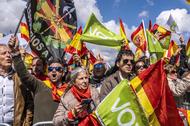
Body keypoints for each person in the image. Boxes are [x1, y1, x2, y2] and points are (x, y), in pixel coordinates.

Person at [8, 36, 67, 124]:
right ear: (48, 72)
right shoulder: (39, 86)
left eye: (58, 69)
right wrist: (16, 53)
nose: (54, 71)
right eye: (51, 69)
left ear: (63, 73)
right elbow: (24, 75)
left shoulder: (69, 90)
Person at [0, 44, 33, 125]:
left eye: (9, 53)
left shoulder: (20, 78)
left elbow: (30, 103)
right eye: (4, 53)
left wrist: (27, 123)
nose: (8, 55)